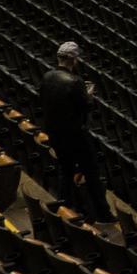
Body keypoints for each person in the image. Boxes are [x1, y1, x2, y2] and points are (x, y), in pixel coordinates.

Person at [40, 42, 105, 220]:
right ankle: (102, 213)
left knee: (65, 171)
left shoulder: (47, 77)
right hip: (76, 135)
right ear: (74, 60)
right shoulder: (75, 82)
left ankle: (65, 208)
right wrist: (89, 96)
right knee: (91, 173)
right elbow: (85, 107)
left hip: (56, 134)